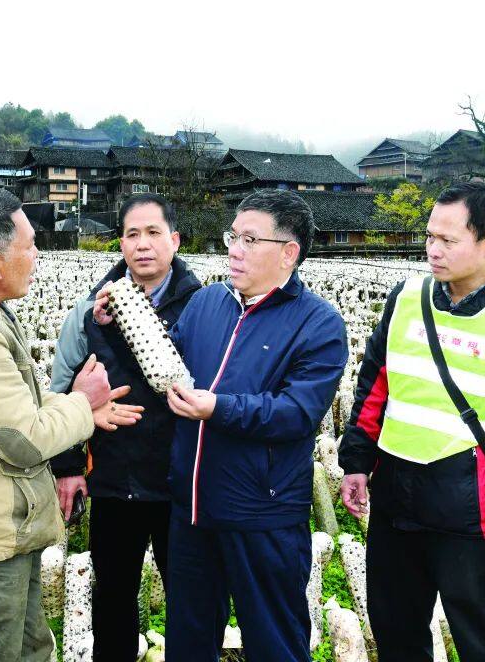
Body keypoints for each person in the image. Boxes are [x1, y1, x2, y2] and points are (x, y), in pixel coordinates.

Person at [95, 189, 348, 661]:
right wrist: (119, 323)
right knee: (189, 644)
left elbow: (296, 413)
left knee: (274, 641)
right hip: (193, 510)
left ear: (289, 252)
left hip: (262, 514)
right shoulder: (208, 302)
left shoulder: (318, 325)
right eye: (234, 236)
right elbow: (164, 362)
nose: (234, 248)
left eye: (251, 239)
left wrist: (219, 408)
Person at [337, 180, 485, 662]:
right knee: (395, 631)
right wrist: (356, 459)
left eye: (448, 240)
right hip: (397, 494)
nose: (433, 251)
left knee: (482, 641)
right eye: (429, 237)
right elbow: (375, 383)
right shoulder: (407, 297)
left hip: (473, 507)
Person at [0, 188, 144, 662]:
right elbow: (22, 439)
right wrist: (83, 403)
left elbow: (25, 406)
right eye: (29, 244)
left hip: (3, 529)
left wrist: (84, 411)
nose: (37, 254)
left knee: (31, 650)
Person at [50, 193, 202, 661]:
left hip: (178, 482)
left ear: (174, 240)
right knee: (112, 598)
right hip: (114, 480)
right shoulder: (88, 312)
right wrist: (69, 467)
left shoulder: (205, 307)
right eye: (132, 234)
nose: (143, 245)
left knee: (190, 600)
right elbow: (64, 392)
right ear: (121, 243)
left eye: (154, 233)